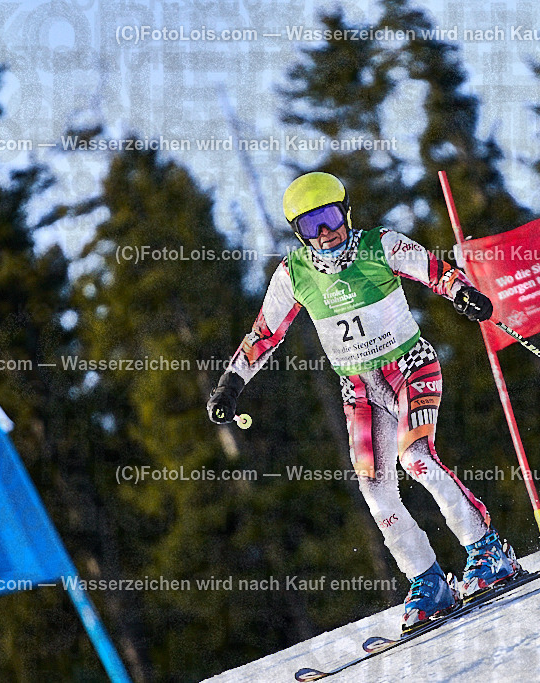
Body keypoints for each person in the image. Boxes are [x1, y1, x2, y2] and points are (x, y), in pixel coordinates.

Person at [207, 172, 519, 632]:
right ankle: (429, 581)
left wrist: (463, 293)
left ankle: (487, 551)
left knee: (416, 458)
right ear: (298, 232)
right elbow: (263, 335)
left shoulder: (379, 245)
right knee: (374, 488)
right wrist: (232, 383)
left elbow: (433, 270)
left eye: (330, 217)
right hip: (359, 390)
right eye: (311, 225)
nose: (325, 232)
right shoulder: (294, 274)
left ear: (346, 212)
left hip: (409, 367)